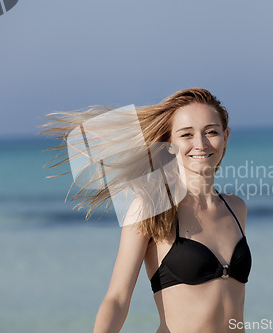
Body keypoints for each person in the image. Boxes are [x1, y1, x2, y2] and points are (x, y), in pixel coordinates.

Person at [41, 88, 252, 332]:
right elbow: (117, 298)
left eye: (211, 132)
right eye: (186, 135)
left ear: (225, 136)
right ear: (169, 143)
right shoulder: (150, 206)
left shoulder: (236, 208)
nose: (200, 144)